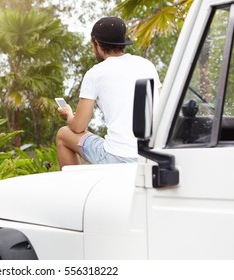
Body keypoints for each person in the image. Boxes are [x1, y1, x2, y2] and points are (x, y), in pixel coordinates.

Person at [56, 16, 161, 169]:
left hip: (118, 157)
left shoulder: (95, 74)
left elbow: (78, 127)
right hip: (153, 155)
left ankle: (74, 188)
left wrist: (68, 115)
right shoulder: (147, 65)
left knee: (63, 134)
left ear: (97, 44)